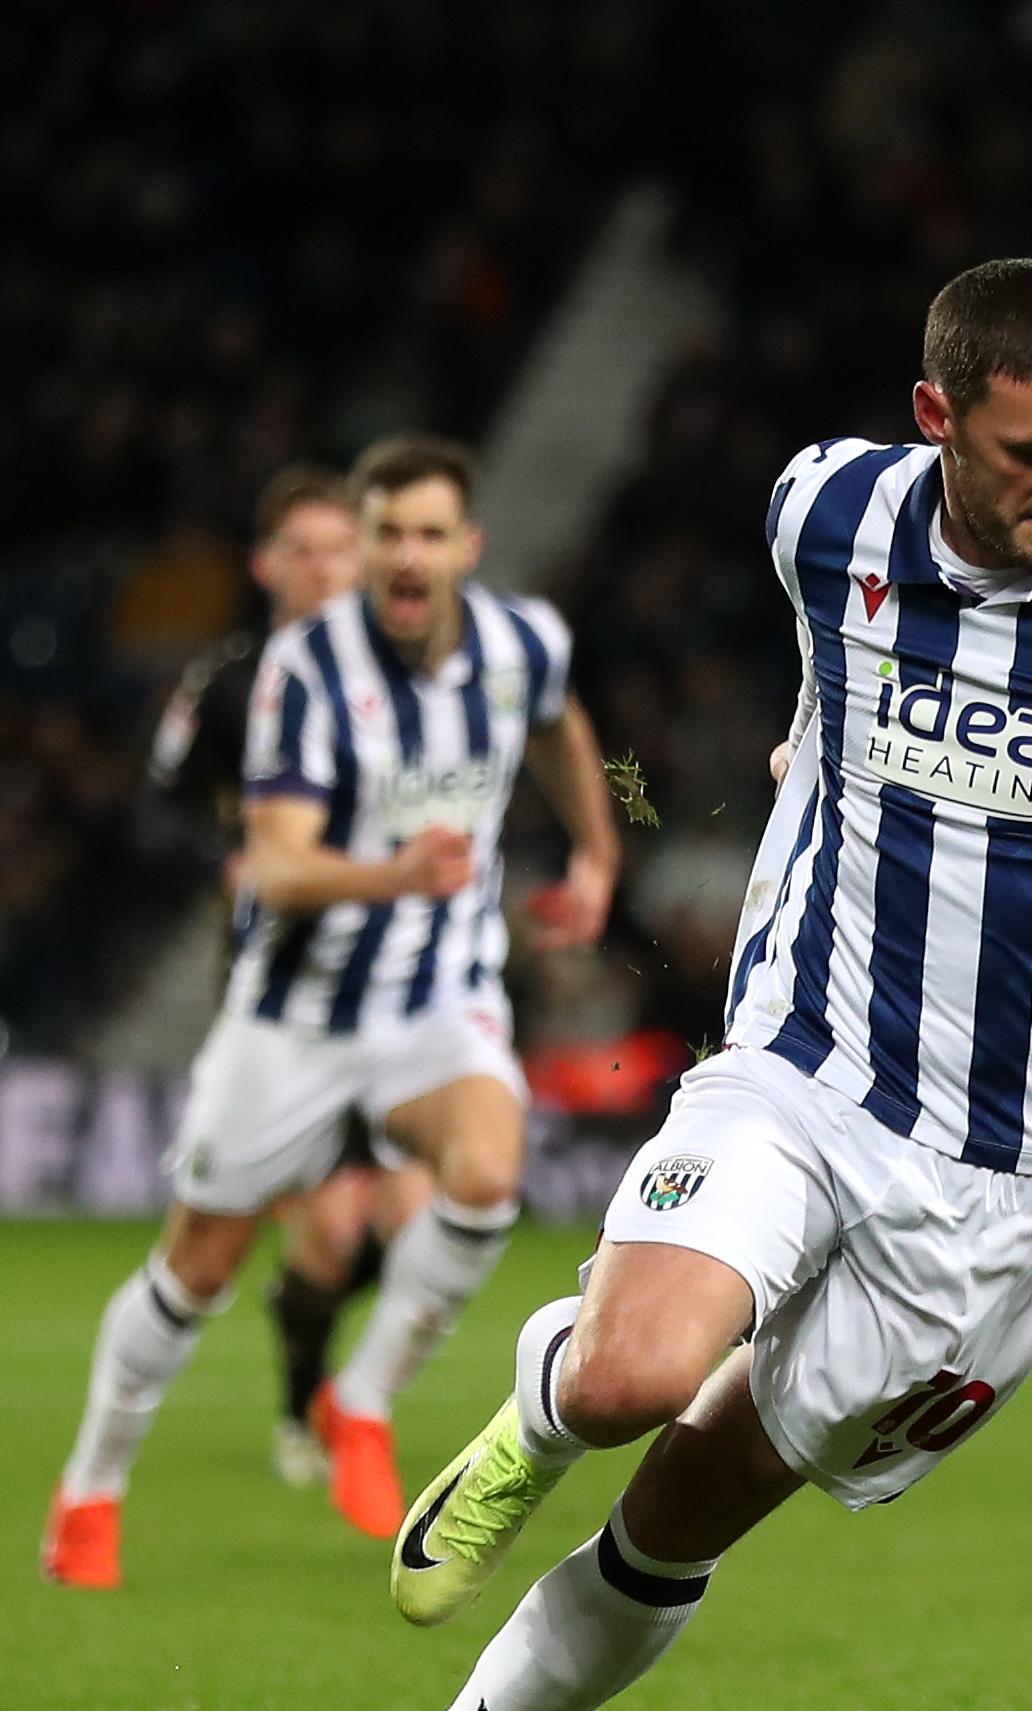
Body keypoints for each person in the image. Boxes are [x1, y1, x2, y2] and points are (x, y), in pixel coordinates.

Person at [265, 258, 1032, 1711]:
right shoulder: (821, 510)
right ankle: (539, 1408)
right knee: (636, 1376)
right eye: (1030, 452)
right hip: (806, 1066)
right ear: (935, 420)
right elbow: (820, 669)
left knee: (683, 1514)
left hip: (1012, 1174)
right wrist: (810, 748)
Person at [39, 435, 622, 1589]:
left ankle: (360, 1404)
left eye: (427, 533)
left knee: (487, 1166)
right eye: (386, 533)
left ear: (467, 545)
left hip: (437, 998)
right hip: (295, 1017)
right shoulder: (303, 671)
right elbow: (279, 866)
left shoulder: (522, 642)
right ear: (362, 548)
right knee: (197, 1264)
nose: (406, 555)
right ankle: (89, 1489)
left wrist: (599, 855)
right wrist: (391, 875)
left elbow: (556, 723)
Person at [142, 465, 439, 1494]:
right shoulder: (229, 680)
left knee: (418, 1227)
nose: (323, 567)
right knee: (326, 1235)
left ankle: (349, 1404)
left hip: (405, 985)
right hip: (288, 992)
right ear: (268, 564)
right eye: (303, 549)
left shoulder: (410, 673)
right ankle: (304, 1405)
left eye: (339, 548)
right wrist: (229, 850)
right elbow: (164, 798)